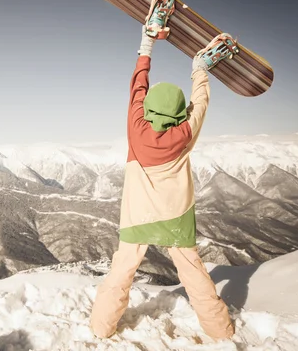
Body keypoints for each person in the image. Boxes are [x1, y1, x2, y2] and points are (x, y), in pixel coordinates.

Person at [89, 25, 235, 341]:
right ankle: (221, 332)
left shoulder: (136, 127)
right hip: (177, 217)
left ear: (147, 110)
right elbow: (201, 103)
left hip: (136, 216)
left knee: (121, 274)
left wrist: (147, 44)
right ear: (181, 115)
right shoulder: (185, 133)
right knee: (194, 274)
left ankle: (100, 329)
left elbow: (137, 87)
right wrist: (200, 71)